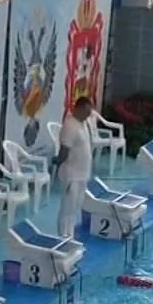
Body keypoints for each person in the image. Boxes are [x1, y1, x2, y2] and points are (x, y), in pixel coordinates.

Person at [54, 96, 96, 238]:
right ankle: (62, 236)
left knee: (76, 207)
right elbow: (64, 151)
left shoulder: (84, 123)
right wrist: (57, 164)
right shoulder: (70, 125)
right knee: (67, 207)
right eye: (86, 112)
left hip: (83, 174)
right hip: (71, 175)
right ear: (78, 109)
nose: (88, 115)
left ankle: (70, 234)